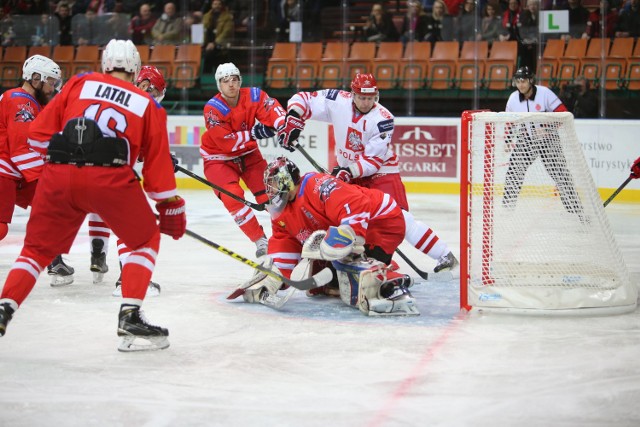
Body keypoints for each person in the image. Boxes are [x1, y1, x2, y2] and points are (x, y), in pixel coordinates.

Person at [0, 39, 187, 352]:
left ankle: (5, 307)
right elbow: (156, 176)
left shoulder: (79, 83)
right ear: (136, 68)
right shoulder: (148, 104)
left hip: (59, 175)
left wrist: (65, 163)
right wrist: (170, 204)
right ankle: (130, 315)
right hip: (110, 179)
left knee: (35, 249)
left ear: (105, 64)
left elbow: (37, 137)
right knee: (144, 241)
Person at [278, 73, 458, 274]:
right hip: (348, 171)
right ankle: (377, 262)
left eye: (370, 98)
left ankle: (444, 255)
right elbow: (303, 99)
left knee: (399, 218)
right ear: (352, 94)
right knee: (353, 219)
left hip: (381, 173)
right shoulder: (338, 100)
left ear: (376, 96)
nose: (366, 102)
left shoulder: (383, 119)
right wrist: (294, 116)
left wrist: (348, 171)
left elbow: (372, 161)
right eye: (362, 98)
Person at [240, 156, 419, 316]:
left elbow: (356, 204)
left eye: (274, 184)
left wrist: (350, 234)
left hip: (378, 225)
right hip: (340, 239)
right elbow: (284, 241)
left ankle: (392, 283)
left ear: (286, 180)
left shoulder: (316, 185)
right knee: (329, 286)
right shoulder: (281, 211)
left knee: (361, 282)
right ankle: (373, 268)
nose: (270, 191)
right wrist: (274, 276)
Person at [88, 65, 168, 297]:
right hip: (110, 170)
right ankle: (127, 280)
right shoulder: (138, 104)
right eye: (154, 93)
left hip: (77, 168)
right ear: (145, 85)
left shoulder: (109, 93)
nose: (155, 99)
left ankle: (95, 251)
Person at [0, 54, 75, 286]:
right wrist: (50, 177)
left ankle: (54, 260)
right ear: (35, 78)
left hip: (15, 172)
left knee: (53, 208)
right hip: (6, 170)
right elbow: (21, 150)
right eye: (51, 82)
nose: (53, 88)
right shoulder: (21, 101)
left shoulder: (29, 101)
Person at [200, 62, 285, 258]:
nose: (231, 84)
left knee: (274, 195)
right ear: (218, 85)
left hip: (248, 155)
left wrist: (283, 126)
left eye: (234, 79)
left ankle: (284, 237)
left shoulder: (254, 95)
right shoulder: (213, 108)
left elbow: (272, 109)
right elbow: (226, 143)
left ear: (240, 81)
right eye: (225, 80)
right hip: (218, 159)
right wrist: (255, 133)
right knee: (232, 197)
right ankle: (260, 241)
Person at [503, 66, 584, 219]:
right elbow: (510, 122)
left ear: (530, 81)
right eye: (518, 81)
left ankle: (576, 211)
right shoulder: (513, 98)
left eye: (524, 81)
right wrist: (508, 140)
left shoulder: (545, 93)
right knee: (513, 172)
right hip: (526, 140)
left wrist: (547, 128)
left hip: (549, 140)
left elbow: (563, 114)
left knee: (561, 175)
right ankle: (507, 209)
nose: (521, 84)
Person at [202, 0, 234, 73]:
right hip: (207, 43)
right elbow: (202, 29)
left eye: (219, 4)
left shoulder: (227, 17)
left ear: (222, 6)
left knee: (209, 55)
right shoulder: (206, 16)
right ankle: (206, 76)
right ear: (212, 5)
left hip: (221, 44)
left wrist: (214, 43)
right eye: (215, 4)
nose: (217, 6)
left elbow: (226, 33)